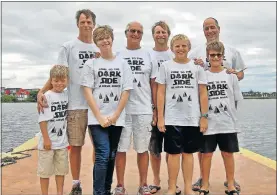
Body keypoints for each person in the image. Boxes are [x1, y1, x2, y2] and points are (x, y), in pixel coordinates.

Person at [36, 9, 99, 195]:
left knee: (99, 147)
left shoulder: (99, 49)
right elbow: (58, 73)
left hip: (96, 107)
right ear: (77, 24)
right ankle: (76, 183)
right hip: (75, 106)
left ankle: (99, 182)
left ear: (94, 24)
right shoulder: (69, 47)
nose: (86, 25)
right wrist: (41, 91)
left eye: (89, 22)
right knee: (76, 147)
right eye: (83, 22)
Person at [189, 17, 246, 192]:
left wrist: (234, 73)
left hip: (227, 114)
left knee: (228, 152)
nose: (210, 31)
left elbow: (240, 74)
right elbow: (192, 78)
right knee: (204, 152)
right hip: (207, 114)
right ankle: (202, 179)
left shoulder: (233, 52)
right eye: (206, 28)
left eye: (212, 27)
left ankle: (230, 181)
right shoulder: (196, 52)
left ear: (219, 29)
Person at [81, 25, 133, 195]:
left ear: (112, 39)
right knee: (102, 154)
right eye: (100, 39)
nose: (104, 41)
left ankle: (106, 189)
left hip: (117, 118)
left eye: (107, 37)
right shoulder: (91, 64)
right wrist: (100, 116)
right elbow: (87, 91)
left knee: (111, 154)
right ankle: (98, 192)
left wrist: (116, 115)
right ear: (96, 43)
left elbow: (126, 90)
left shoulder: (123, 63)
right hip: (97, 119)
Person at [156, 34, 208, 195]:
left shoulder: (197, 68)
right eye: (177, 46)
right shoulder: (165, 66)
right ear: (172, 48)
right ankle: (172, 187)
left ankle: (187, 187)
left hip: (192, 118)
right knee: (172, 155)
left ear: (189, 48)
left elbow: (203, 93)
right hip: (172, 118)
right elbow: (160, 92)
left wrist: (204, 116)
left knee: (188, 154)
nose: (180, 49)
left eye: (184, 46)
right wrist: (160, 117)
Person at [113, 21, 157, 195]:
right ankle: (120, 185)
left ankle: (143, 184)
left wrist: (154, 108)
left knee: (142, 149)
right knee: (121, 149)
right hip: (122, 110)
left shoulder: (148, 54)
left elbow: (153, 83)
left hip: (143, 109)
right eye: (132, 31)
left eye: (139, 31)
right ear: (126, 33)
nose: (135, 34)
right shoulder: (117, 54)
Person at [199, 41, 243, 195]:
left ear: (223, 57)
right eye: (212, 55)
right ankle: (205, 184)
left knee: (227, 154)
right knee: (206, 155)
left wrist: (232, 119)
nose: (215, 57)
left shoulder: (231, 76)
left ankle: (230, 183)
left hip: (227, 123)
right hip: (209, 123)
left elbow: (236, 99)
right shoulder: (203, 75)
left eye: (218, 55)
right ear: (207, 56)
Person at [147, 21, 181, 195]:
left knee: (172, 149)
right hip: (155, 108)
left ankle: (172, 182)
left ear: (168, 34)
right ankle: (156, 180)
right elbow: (154, 84)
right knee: (154, 148)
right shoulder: (149, 55)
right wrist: (155, 109)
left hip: (175, 109)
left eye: (164, 32)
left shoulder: (174, 53)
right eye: (157, 32)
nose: (161, 35)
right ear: (153, 35)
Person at [37, 65, 69, 195]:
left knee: (61, 171)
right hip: (48, 142)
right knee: (45, 172)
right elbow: (42, 120)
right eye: (56, 80)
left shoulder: (67, 95)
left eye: (62, 80)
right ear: (51, 81)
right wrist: (46, 139)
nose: (59, 84)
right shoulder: (47, 96)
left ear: (67, 81)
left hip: (62, 142)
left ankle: (59, 192)